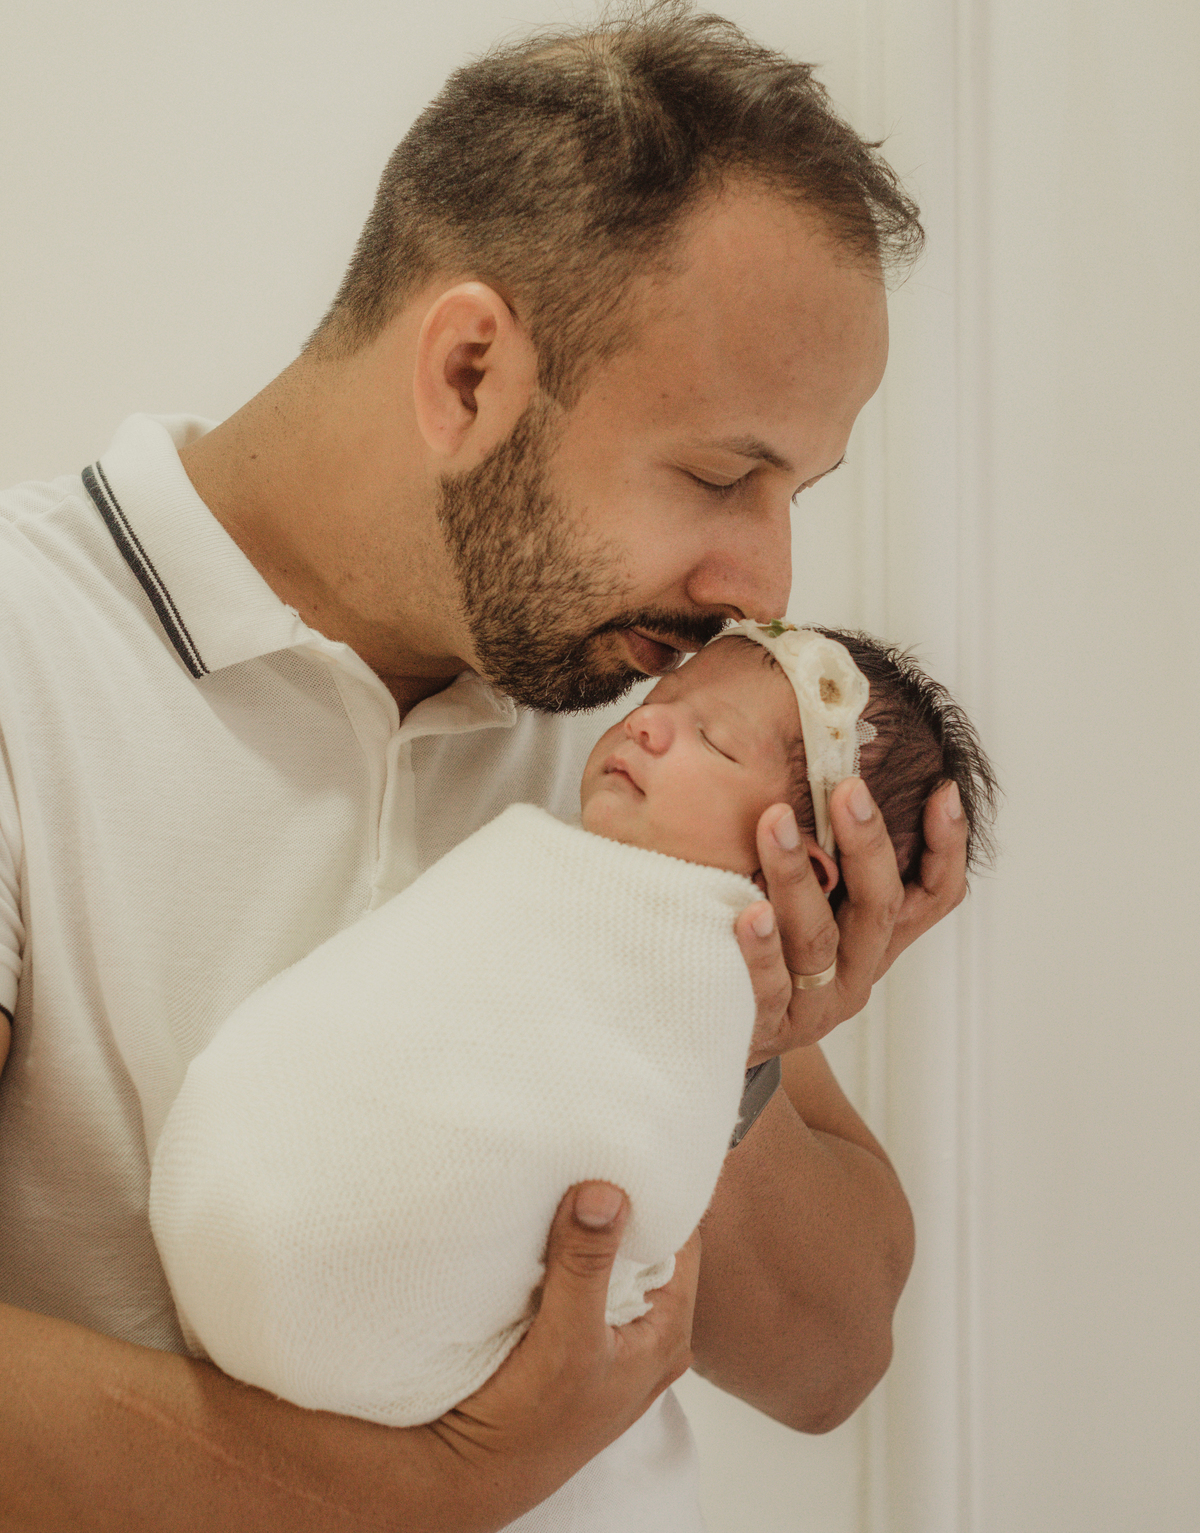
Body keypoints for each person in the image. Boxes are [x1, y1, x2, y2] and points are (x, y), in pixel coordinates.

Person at [0, 6, 972, 1530]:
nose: (764, 587)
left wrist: (730, 1048)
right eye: (723, 473)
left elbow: (827, 1356)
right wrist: (421, 1494)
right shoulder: (28, 656)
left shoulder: (641, 718)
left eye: (799, 490)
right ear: (467, 373)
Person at [148, 625, 997, 1435]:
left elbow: (836, 1364)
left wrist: (734, 1047)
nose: (646, 722)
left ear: (800, 870)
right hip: (232, 1231)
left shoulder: (723, 949)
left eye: (714, 739)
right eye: (659, 704)